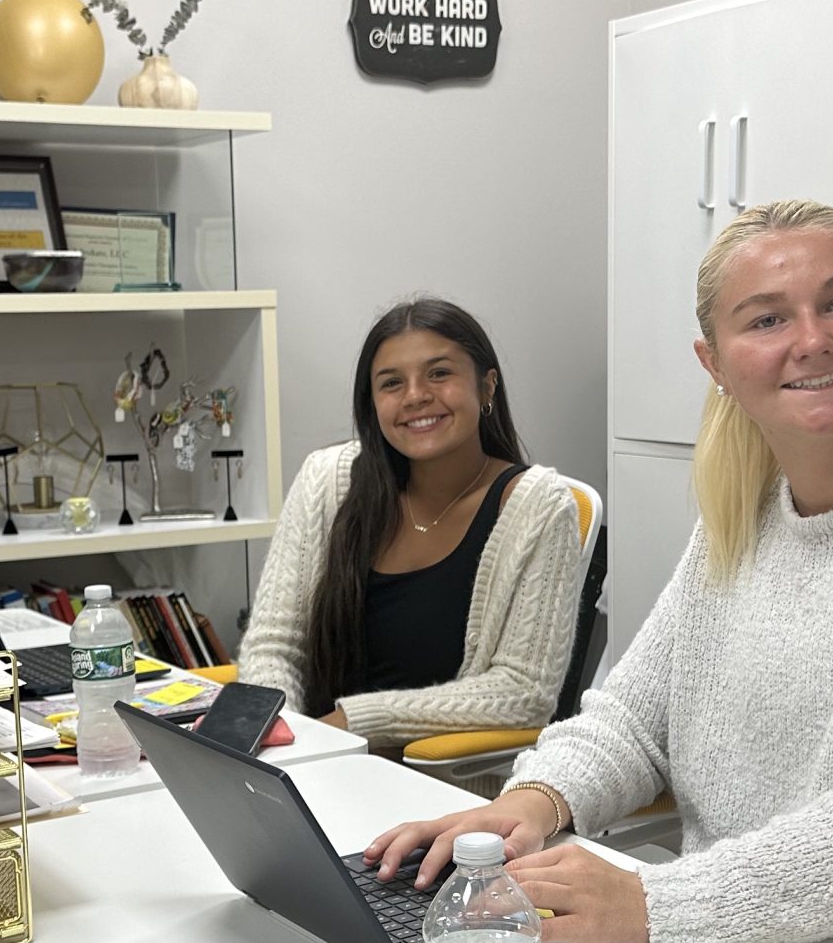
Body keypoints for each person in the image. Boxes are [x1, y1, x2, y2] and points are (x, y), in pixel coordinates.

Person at [368, 200, 833, 943]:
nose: (813, 341)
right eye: (766, 321)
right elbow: (632, 718)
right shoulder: (749, 501)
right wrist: (531, 804)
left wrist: (656, 906)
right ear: (714, 362)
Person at [239, 298, 586, 746]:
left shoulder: (538, 506)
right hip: (310, 767)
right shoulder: (326, 480)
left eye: (439, 373)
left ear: (487, 387)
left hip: (443, 790)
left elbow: (525, 691)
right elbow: (274, 643)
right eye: (391, 383)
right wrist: (283, 732)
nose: (416, 396)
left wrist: (349, 725)